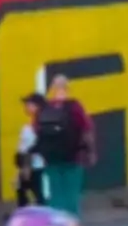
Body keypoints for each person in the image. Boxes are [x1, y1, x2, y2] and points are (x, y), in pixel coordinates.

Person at [35, 76, 95, 216]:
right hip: (74, 157)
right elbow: (86, 128)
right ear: (67, 89)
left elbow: (37, 131)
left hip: (51, 159)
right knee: (72, 195)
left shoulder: (44, 108)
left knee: (56, 195)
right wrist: (90, 152)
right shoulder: (74, 106)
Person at [16, 92, 47, 206]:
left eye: (29, 104)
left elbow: (36, 146)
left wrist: (26, 164)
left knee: (36, 193)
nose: (26, 107)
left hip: (35, 166)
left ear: (38, 106)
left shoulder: (40, 125)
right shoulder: (31, 125)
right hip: (29, 164)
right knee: (22, 190)